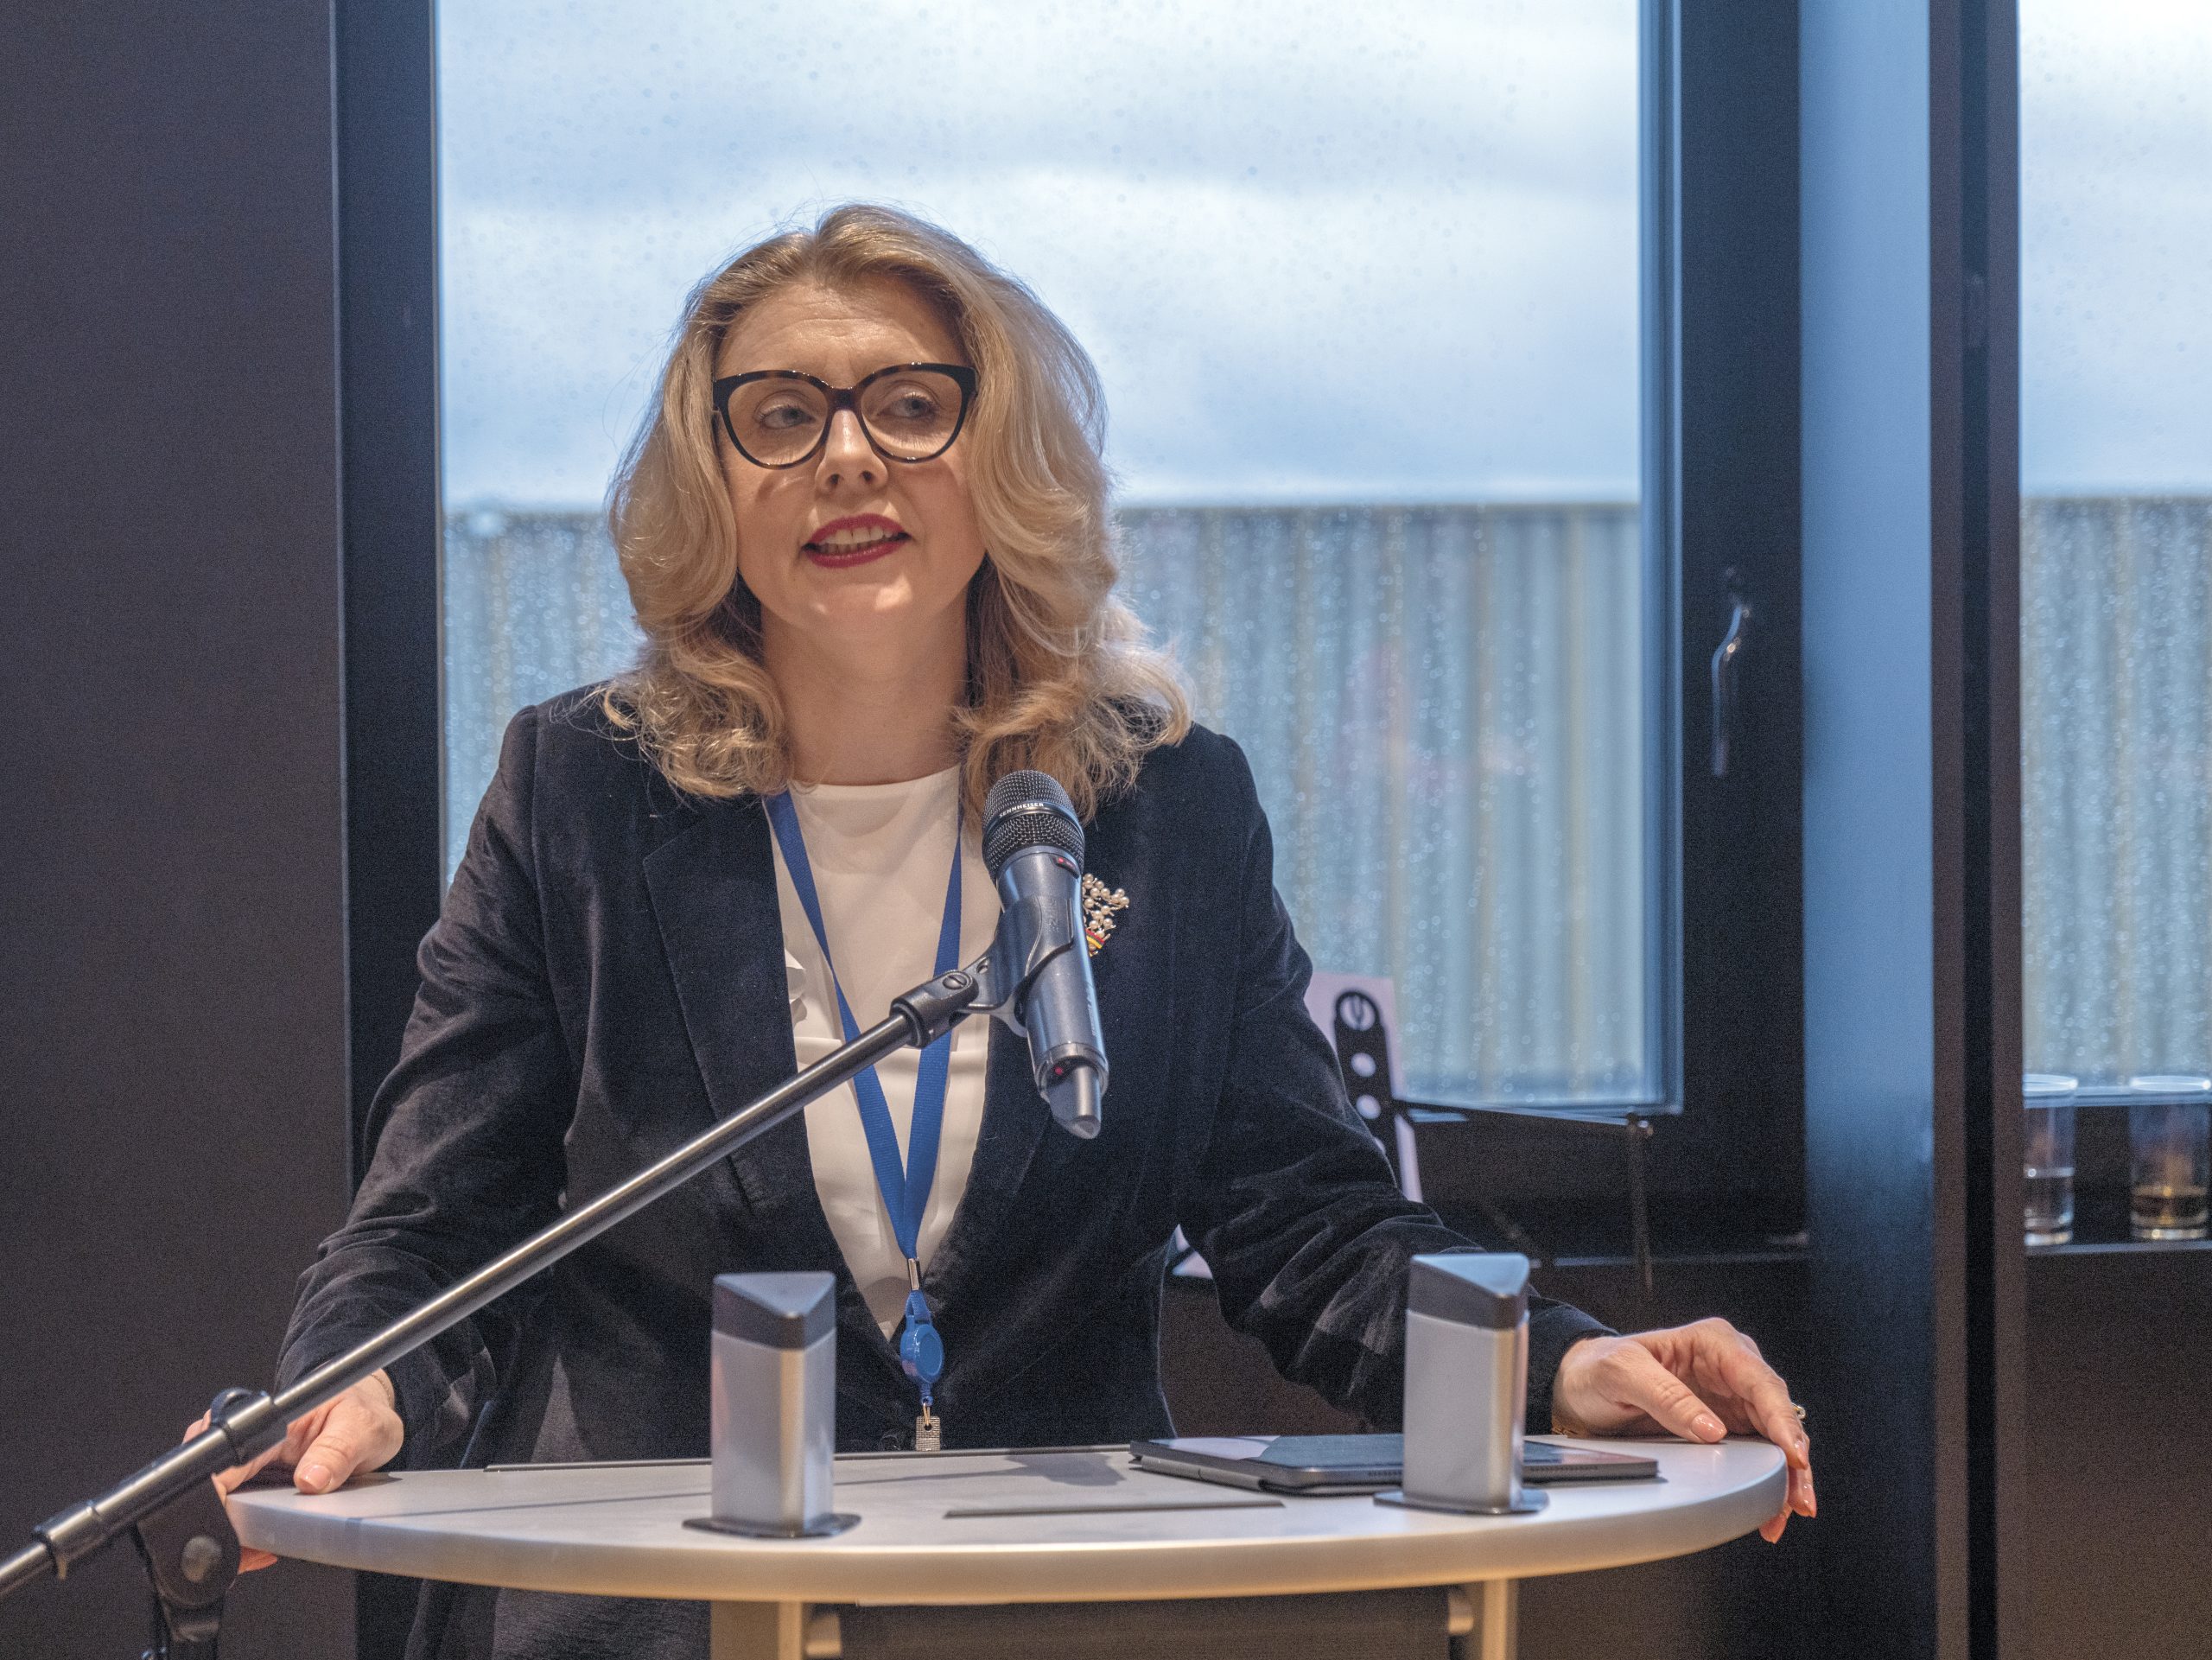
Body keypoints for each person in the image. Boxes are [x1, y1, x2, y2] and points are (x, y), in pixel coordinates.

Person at [201, 203, 1814, 1659]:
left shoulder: (1164, 808)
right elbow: (434, 1226)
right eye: (781, 416)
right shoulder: (581, 797)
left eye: (911, 405)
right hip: (652, 1613)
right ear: (714, 483)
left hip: (1045, 1603)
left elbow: (1308, 1220)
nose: (848, 458)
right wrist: (358, 1378)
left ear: (1004, 460)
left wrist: (1558, 1363)